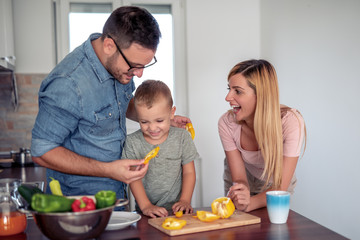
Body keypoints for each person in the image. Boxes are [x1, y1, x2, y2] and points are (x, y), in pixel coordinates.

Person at [31, 6, 190, 201]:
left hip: (117, 197)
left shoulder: (118, 65)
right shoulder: (68, 83)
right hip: (79, 203)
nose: (139, 74)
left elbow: (121, 105)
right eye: (135, 66)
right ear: (108, 46)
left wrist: (158, 121)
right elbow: (41, 151)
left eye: (144, 65)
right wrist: (108, 170)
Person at [218, 59, 306, 212]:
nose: (228, 97)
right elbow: (239, 178)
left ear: (261, 95)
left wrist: (249, 204)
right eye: (229, 89)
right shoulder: (226, 123)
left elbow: (280, 186)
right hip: (243, 174)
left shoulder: (290, 122)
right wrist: (241, 195)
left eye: (237, 91)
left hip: (276, 184)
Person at [122, 80, 198, 218]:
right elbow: (134, 178)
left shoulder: (182, 137)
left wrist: (185, 200)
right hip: (146, 213)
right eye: (144, 122)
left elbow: (189, 172)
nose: (152, 128)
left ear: (171, 113)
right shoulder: (132, 142)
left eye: (159, 121)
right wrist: (146, 206)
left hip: (177, 211)